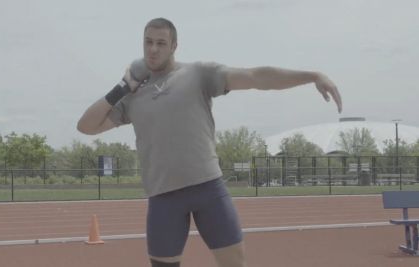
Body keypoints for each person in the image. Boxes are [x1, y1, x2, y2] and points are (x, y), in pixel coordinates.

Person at [77, 18, 342, 267]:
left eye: (161, 43)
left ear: (174, 47)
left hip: (208, 190)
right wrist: (122, 88)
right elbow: (86, 126)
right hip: (163, 198)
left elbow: (255, 77)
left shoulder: (198, 74)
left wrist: (312, 75)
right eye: (148, 42)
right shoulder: (134, 96)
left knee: (234, 263)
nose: (153, 49)